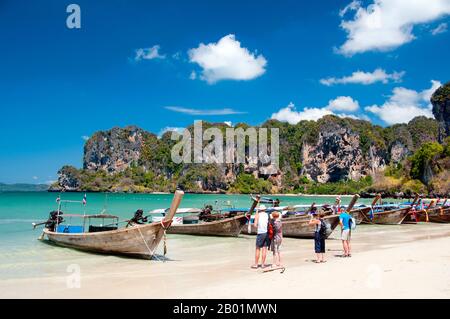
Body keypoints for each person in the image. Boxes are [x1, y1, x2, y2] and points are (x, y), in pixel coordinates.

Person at [251, 205, 270, 269]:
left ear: (259, 210)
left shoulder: (258, 215)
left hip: (260, 233)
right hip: (266, 233)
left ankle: (256, 264)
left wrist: (256, 215)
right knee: (264, 249)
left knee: (257, 249)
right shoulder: (267, 215)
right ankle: (263, 264)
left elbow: (255, 225)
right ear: (264, 209)